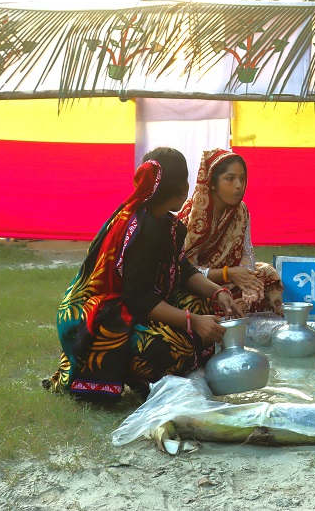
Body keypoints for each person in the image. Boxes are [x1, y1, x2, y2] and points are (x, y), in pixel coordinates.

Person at [46, 147, 242, 403]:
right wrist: (193, 321)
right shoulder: (142, 229)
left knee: (202, 305)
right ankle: (129, 372)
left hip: (132, 305)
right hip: (101, 317)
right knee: (172, 350)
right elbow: (137, 297)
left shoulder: (163, 222)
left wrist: (218, 292)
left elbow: (181, 267)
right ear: (181, 188)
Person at [177, 149, 284, 315]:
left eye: (242, 178)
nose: (239, 185)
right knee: (194, 301)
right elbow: (184, 269)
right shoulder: (193, 214)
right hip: (199, 283)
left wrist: (248, 282)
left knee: (268, 273)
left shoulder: (241, 210)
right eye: (230, 178)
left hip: (231, 278)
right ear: (212, 182)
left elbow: (247, 252)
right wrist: (227, 273)